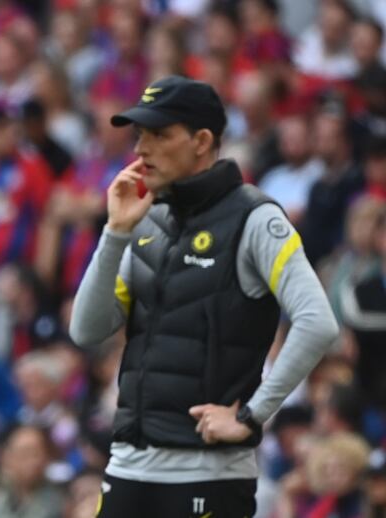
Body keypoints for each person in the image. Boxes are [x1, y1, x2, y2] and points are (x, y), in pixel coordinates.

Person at [69, 75, 339, 517]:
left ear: (201, 140)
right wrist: (115, 232)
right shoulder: (144, 220)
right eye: (139, 135)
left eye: (158, 135)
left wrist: (252, 415)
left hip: (208, 474)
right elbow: (87, 329)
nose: (140, 149)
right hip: (127, 468)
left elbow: (318, 322)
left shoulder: (256, 218)